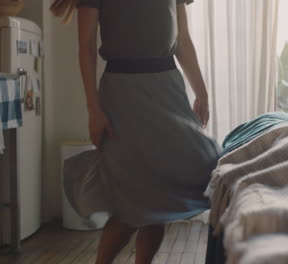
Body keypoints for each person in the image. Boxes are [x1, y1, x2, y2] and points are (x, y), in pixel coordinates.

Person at [50, 0, 221, 263]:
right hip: (122, 93)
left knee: (160, 195)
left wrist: (202, 92)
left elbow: (182, 40)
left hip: (168, 90)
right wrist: (93, 110)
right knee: (132, 203)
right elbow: (85, 50)